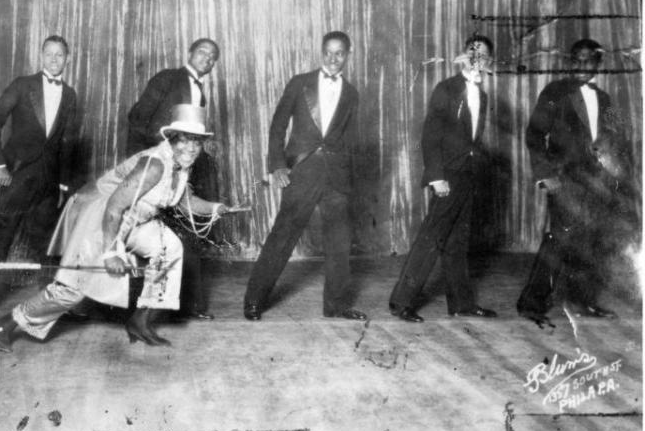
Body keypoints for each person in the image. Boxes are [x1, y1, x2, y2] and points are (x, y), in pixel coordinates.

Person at [0, 104, 242, 351]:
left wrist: (217, 208)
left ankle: (140, 321)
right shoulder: (155, 164)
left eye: (196, 142)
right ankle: (7, 324)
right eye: (185, 140)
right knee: (73, 289)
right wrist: (111, 252)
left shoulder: (182, 165)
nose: (191, 148)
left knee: (170, 247)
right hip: (103, 217)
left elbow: (184, 200)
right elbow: (114, 208)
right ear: (172, 139)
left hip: (137, 219)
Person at [242, 31, 365, 322]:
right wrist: (277, 166)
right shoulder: (300, 83)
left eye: (339, 53)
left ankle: (336, 306)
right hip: (301, 172)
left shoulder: (351, 93)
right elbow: (277, 126)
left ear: (348, 54)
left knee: (339, 242)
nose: (333, 58)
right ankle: (254, 301)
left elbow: (349, 140)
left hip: (336, 178)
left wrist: (349, 179)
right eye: (328, 52)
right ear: (321, 53)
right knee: (283, 236)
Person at [516, 39, 637, 325]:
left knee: (592, 241)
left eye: (588, 60)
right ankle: (531, 303)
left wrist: (615, 168)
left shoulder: (606, 99)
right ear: (569, 62)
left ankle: (582, 301)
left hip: (598, 183)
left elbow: (619, 136)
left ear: (598, 63)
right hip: (564, 180)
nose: (582, 65)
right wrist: (545, 174)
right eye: (576, 60)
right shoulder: (554, 92)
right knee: (559, 239)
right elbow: (534, 135)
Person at [0, 35, 84, 326]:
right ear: (41, 56)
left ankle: (49, 308)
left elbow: (67, 144)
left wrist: (62, 186)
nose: (54, 60)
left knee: (48, 246)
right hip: (16, 177)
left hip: (49, 184)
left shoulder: (69, 94)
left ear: (68, 60)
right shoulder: (22, 85)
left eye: (60, 56)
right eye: (49, 54)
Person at [388, 34, 498, 323]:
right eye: (473, 54)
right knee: (431, 238)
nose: (478, 60)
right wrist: (436, 177)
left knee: (457, 242)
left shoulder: (482, 95)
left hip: (468, 175)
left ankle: (461, 303)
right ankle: (401, 302)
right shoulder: (446, 89)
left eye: (483, 55)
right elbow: (430, 136)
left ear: (488, 61)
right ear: (464, 55)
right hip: (447, 175)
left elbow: (471, 139)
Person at [126, 38, 221, 320]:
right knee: (149, 237)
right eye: (203, 51)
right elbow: (137, 118)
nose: (208, 57)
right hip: (153, 171)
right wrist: (157, 156)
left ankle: (189, 306)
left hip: (181, 170)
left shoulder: (200, 94)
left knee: (186, 233)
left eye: (213, 56)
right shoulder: (167, 78)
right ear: (189, 52)